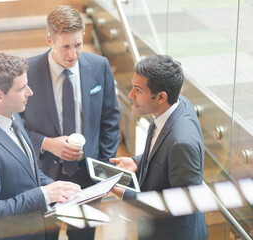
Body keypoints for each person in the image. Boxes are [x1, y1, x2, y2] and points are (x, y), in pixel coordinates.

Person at [22, 5, 120, 240]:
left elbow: (110, 120)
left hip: (88, 178)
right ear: (49, 39)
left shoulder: (100, 67)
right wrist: (46, 143)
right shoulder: (27, 72)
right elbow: (16, 126)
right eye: (66, 46)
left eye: (78, 45)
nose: (73, 54)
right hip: (44, 177)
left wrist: (101, 167)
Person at [0, 52, 81, 240]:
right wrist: (43, 195)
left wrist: (58, 189)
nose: (30, 92)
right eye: (22, 88)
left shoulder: (13, 115)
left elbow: (28, 172)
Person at [110, 55, 209, 240]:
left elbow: (182, 204)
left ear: (162, 96)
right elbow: (162, 149)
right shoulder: (178, 103)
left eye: (138, 90)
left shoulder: (182, 143)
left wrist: (124, 194)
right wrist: (136, 161)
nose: (131, 95)